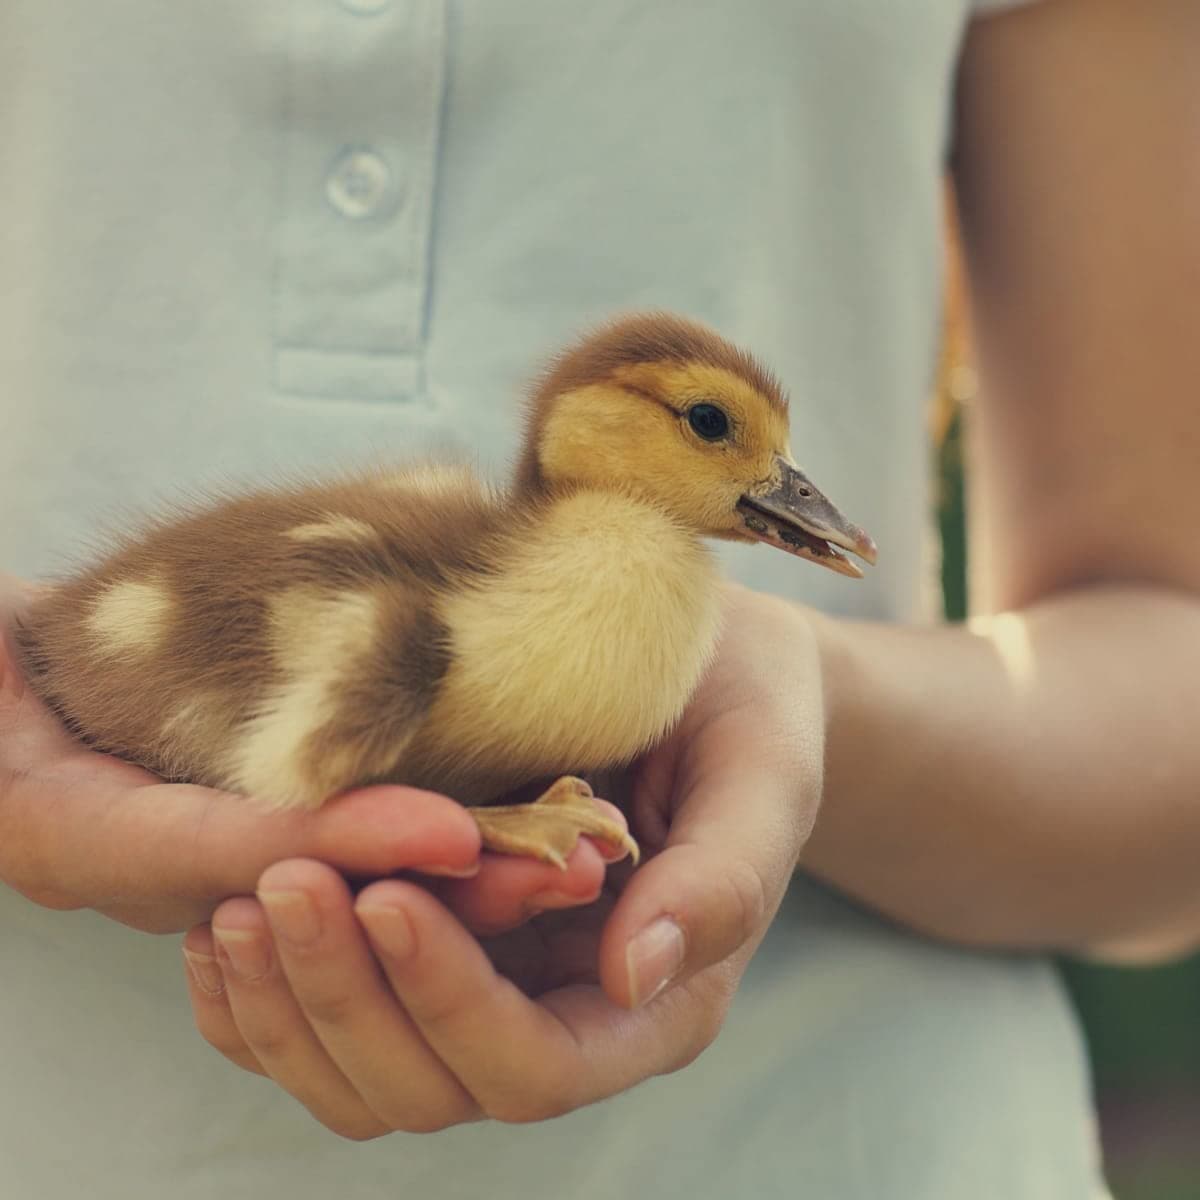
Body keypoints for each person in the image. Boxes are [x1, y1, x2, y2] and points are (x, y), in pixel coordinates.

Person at [2, 0, 1196, 1195]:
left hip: (839, 1142)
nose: (769, 484)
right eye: (713, 432)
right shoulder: (400, 633)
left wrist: (812, 707)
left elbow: (1163, 660)